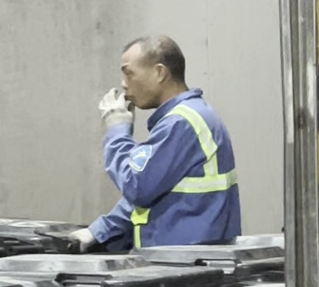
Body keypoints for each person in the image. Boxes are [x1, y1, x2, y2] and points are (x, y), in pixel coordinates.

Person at [72, 36, 242, 251]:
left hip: (185, 266)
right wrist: (99, 231)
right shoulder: (188, 117)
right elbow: (153, 190)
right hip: (185, 260)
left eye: (129, 73)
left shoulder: (182, 123)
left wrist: (117, 131)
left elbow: (138, 186)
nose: (124, 85)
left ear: (159, 72)